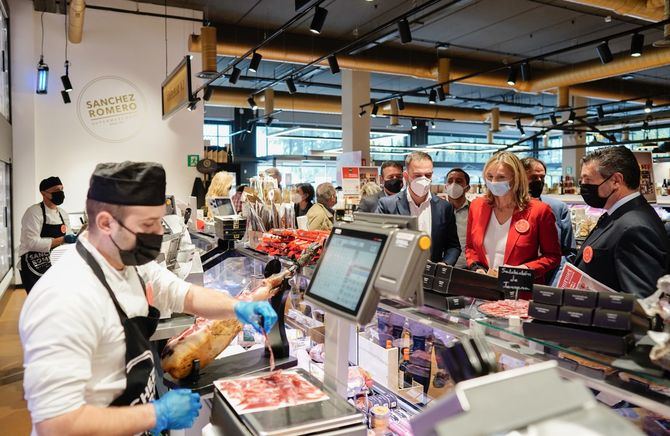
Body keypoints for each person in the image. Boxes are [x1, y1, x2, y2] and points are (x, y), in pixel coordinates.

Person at [20, 162, 278, 435]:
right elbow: (57, 424)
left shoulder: (130, 263)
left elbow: (185, 294)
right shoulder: (63, 297)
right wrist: (155, 414)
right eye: (147, 224)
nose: (157, 232)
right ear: (105, 222)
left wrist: (239, 307)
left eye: (159, 221)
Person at [574, 146, 669, 297]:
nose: (583, 186)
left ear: (616, 181)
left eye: (588, 180)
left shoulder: (635, 227)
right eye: (581, 181)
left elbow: (639, 300)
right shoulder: (621, 215)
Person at [466, 152, 561, 287]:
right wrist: (477, 268)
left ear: (516, 179)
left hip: (520, 291)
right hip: (484, 289)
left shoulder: (539, 211)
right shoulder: (477, 206)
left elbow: (553, 256)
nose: (493, 182)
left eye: (501, 177)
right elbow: (471, 248)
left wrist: (523, 270)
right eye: (490, 177)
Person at [377, 152, 461, 265]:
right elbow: (379, 242)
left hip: (431, 275)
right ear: (406, 176)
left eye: (428, 175)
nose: (423, 180)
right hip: (398, 271)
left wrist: (445, 264)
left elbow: (453, 246)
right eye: (417, 175)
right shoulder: (387, 205)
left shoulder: (444, 207)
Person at [18, 176, 77, 293]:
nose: (60, 193)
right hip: (34, 264)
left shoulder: (63, 214)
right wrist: (62, 239)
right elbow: (31, 243)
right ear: (43, 193)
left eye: (61, 189)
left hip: (55, 261)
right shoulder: (33, 212)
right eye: (55, 191)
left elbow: (68, 236)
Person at [521, 157, 576, 259]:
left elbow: (569, 252)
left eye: (542, 177)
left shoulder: (558, 208)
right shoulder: (508, 208)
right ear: (519, 177)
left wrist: (558, 273)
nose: (539, 181)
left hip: (552, 272)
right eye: (533, 177)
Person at [445, 168, 471, 268]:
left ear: (467, 188)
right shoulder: (439, 211)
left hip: (468, 268)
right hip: (443, 266)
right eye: (450, 181)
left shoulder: (474, 210)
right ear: (446, 187)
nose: (454, 185)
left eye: (459, 181)